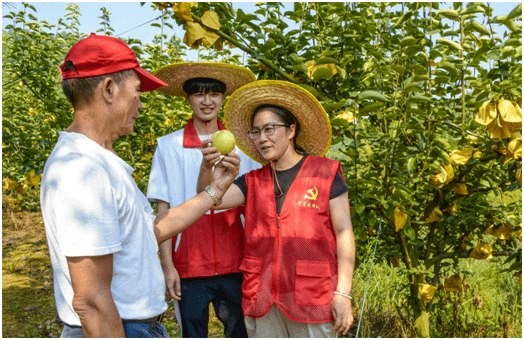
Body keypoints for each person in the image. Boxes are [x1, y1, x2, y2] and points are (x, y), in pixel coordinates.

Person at [40, 33, 240, 338]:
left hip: (136, 325)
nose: (141, 104)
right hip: (122, 328)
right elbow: (91, 301)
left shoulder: (101, 161)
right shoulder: (82, 169)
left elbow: (151, 229)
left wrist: (214, 190)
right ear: (108, 89)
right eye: (136, 91)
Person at [197, 80, 356, 337]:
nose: (262, 138)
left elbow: (344, 232)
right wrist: (207, 167)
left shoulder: (325, 173)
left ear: (291, 130)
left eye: (269, 129)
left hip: (312, 297)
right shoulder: (252, 181)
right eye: (256, 132)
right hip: (262, 297)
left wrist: (343, 292)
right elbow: (209, 200)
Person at [147, 62, 261, 338]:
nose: (207, 101)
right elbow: (163, 210)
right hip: (188, 260)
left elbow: (254, 205)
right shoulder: (168, 146)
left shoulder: (244, 146)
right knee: (193, 332)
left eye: (214, 94)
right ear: (187, 99)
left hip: (236, 257)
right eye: (198, 94)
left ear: (223, 98)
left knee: (240, 332)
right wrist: (168, 266)